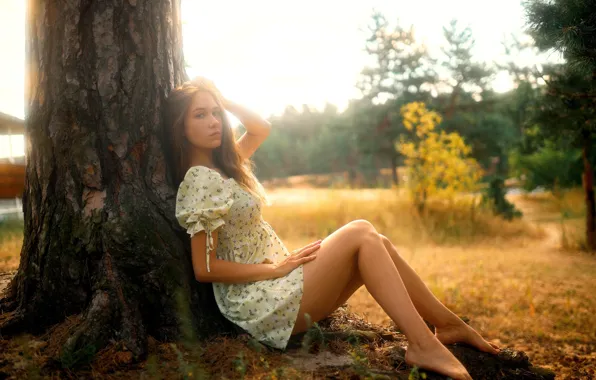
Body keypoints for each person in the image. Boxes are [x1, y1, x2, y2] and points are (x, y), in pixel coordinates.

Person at [165, 77, 499, 380]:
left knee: (375, 240)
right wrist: (273, 268)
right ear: (181, 127)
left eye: (215, 113)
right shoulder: (200, 180)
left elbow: (261, 128)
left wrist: (223, 100)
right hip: (261, 302)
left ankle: (449, 325)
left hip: (280, 287)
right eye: (200, 115)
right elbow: (204, 268)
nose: (213, 122)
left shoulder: (225, 166)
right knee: (360, 231)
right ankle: (422, 343)